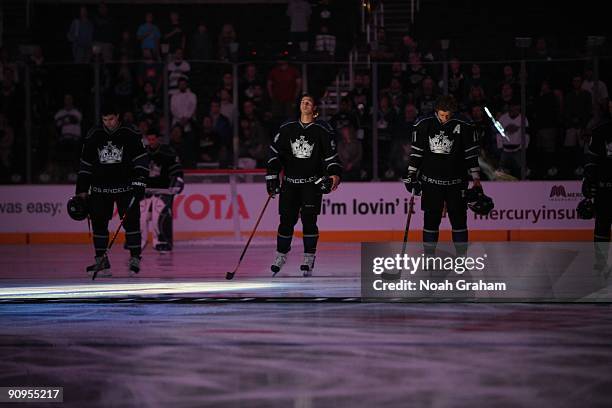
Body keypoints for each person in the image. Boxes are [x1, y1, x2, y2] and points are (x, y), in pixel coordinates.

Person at [266, 93, 342, 276]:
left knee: (309, 222)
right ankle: (281, 254)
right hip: (290, 184)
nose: (305, 103)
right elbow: (274, 155)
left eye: (309, 101)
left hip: (311, 184)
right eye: (302, 101)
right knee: (286, 222)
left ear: (315, 109)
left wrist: (334, 177)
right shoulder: (287, 128)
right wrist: (271, 177)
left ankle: (309, 256)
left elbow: (331, 159)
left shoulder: (323, 130)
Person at [402, 95, 482, 258]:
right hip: (431, 182)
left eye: (448, 115)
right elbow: (416, 152)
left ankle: (461, 258)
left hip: (457, 182)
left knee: (459, 220)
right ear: (436, 111)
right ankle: (429, 257)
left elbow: (470, 154)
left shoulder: (465, 124)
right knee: (431, 220)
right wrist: (411, 174)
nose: (445, 119)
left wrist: (476, 179)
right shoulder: (423, 124)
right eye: (442, 115)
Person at [76, 104, 149, 277]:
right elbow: (85, 164)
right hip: (100, 188)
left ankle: (135, 258)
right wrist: (82, 189)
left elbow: (141, 159)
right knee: (99, 224)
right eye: (104, 120)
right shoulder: (94, 134)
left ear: (118, 117)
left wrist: (140, 180)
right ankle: (101, 261)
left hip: (126, 186)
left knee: (131, 221)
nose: (108, 123)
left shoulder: (130, 133)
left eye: (111, 119)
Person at [140, 129, 184, 252]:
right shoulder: (142, 152)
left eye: (154, 139)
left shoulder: (168, 152)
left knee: (159, 215)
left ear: (158, 139)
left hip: (163, 190)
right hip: (146, 190)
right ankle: (139, 241)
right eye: (149, 139)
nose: (151, 142)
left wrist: (177, 182)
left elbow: (177, 169)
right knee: (141, 215)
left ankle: (162, 241)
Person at [582, 100, 612, 277]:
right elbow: (591, 159)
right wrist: (588, 180)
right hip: (604, 188)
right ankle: (601, 264)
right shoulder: (601, 130)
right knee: (602, 225)